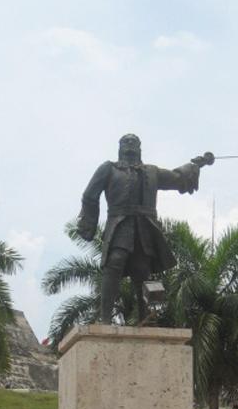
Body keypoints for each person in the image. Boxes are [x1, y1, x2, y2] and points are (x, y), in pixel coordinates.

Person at [77, 133, 205, 323]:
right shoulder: (108, 169)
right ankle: (105, 318)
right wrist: (89, 224)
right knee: (115, 262)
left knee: (142, 269)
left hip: (144, 226)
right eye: (126, 141)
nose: (130, 144)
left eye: (134, 142)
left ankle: (145, 318)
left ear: (139, 148)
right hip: (120, 223)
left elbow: (176, 177)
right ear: (119, 147)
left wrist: (195, 166)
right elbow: (89, 195)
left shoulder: (151, 171)